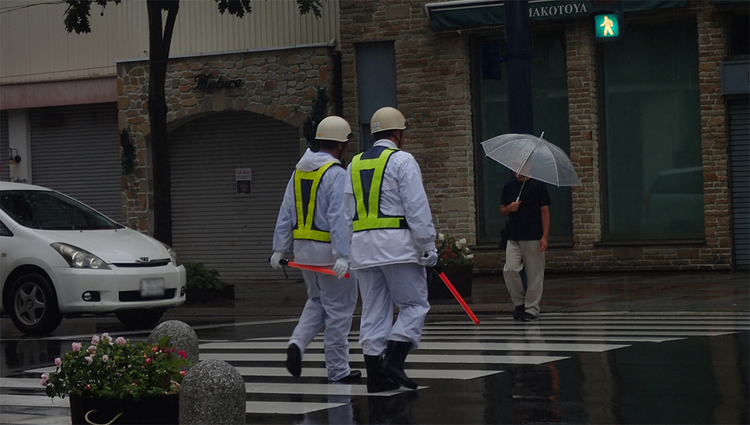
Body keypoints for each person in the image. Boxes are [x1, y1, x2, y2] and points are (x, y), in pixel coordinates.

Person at [344, 106, 437, 393]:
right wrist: (427, 246)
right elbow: (416, 207)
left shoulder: (354, 164)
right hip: (397, 246)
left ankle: (376, 377)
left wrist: (350, 249)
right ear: (399, 134)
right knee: (414, 304)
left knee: (373, 311)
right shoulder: (402, 160)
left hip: (363, 248)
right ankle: (395, 360)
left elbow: (347, 212)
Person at [269, 115, 361, 384]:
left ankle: (297, 343)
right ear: (340, 146)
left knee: (317, 302)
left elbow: (286, 212)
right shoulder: (336, 175)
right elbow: (340, 218)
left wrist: (279, 249)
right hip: (330, 255)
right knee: (340, 312)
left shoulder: (298, 172)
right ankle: (338, 370)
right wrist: (343, 255)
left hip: (303, 253)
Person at [500, 172, 551, 322]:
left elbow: (545, 212)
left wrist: (545, 236)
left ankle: (532, 308)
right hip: (513, 235)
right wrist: (510, 208)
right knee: (510, 269)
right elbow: (502, 211)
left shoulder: (539, 186)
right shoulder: (508, 186)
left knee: (534, 273)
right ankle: (519, 302)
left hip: (533, 235)